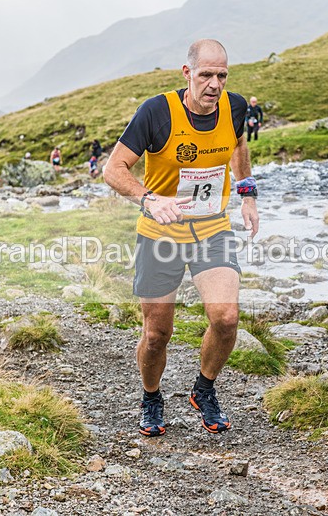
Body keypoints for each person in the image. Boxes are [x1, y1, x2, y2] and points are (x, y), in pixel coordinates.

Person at [104, 39, 259, 437]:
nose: (215, 84)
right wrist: (148, 199)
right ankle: (151, 396)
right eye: (206, 74)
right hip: (161, 233)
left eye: (222, 75)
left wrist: (247, 194)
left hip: (211, 228)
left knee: (226, 318)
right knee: (157, 335)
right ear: (187, 73)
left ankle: (203, 389)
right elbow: (114, 168)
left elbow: (238, 143)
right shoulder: (158, 112)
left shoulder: (235, 106)